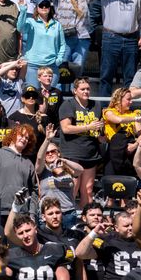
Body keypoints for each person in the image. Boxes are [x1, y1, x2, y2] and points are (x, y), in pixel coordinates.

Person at [59, 77, 104, 208]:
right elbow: (66, 128)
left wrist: (101, 132)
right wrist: (88, 127)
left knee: (88, 190)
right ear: (75, 91)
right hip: (72, 153)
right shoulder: (68, 105)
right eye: (82, 89)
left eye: (88, 89)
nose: (86, 91)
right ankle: (68, 218)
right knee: (72, 189)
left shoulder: (96, 105)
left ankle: (85, 220)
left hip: (91, 152)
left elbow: (99, 128)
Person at [0, 124, 37, 217]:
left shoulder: (28, 163)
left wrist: (32, 214)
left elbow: (33, 191)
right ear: (13, 135)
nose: (24, 139)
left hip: (21, 213)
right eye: (21, 135)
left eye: (27, 138)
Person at [54, 0, 98, 78]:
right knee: (61, 69)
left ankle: (76, 93)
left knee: (78, 70)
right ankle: (60, 93)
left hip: (82, 38)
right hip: (64, 39)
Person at [17, 0, 66, 89]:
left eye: (46, 5)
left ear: (50, 8)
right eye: (41, 5)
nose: (44, 7)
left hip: (52, 65)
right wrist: (23, 11)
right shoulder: (31, 22)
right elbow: (20, 28)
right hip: (33, 65)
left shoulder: (57, 25)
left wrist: (59, 59)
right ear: (37, 8)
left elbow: (62, 44)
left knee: (49, 95)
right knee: (34, 95)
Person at [103, 87, 141, 176]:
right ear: (119, 100)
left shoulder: (132, 114)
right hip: (114, 153)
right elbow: (118, 120)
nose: (131, 102)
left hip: (128, 154)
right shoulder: (108, 112)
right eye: (128, 99)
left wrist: (134, 145)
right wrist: (135, 119)